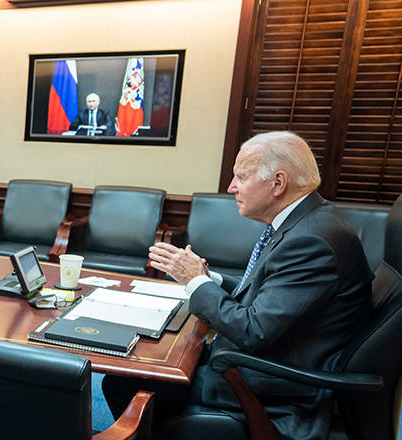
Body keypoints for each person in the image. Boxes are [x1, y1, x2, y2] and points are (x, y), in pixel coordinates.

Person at [102, 131, 373, 440]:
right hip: (270, 362)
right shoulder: (308, 222)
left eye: (240, 177)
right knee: (143, 360)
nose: (231, 187)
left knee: (124, 379)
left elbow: (253, 331)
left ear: (278, 183)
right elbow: (267, 292)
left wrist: (195, 281)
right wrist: (210, 278)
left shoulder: (311, 241)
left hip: (276, 385)